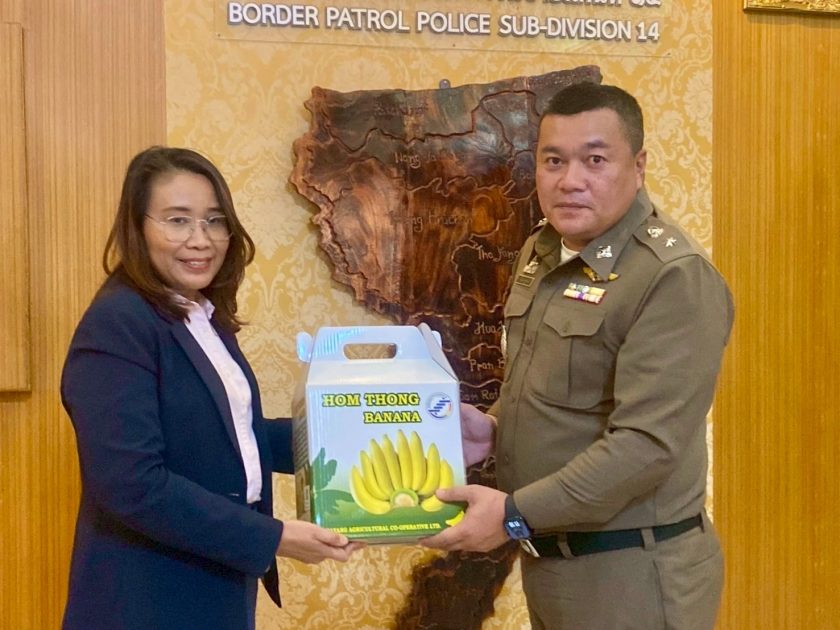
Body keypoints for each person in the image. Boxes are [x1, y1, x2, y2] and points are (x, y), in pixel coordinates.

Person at [421, 83, 734, 629]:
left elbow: (646, 446)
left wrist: (512, 515)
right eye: (553, 161)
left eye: (595, 160)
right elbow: (560, 390)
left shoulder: (671, 276)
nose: (570, 181)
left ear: (638, 166)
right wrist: (493, 428)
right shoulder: (543, 252)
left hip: (632, 576)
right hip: (554, 568)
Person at [61, 146, 362, 630]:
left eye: (214, 221)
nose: (200, 240)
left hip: (216, 578)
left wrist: (363, 432)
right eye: (177, 220)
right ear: (137, 227)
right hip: (149, 594)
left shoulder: (199, 316)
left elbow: (237, 435)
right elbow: (131, 483)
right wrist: (273, 537)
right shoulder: (119, 322)